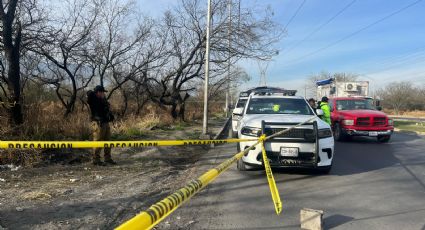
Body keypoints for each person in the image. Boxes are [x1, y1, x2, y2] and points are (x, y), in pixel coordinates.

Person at [87, 85, 116, 166]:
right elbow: (89, 95)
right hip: (97, 123)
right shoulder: (93, 99)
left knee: (108, 141)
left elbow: (106, 109)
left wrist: (110, 115)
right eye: (102, 92)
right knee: (98, 141)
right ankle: (96, 160)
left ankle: (108, 159)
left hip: (105, 123)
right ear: (98, 92)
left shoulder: (103, 100)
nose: (104, 94)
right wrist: (93, 92)